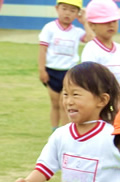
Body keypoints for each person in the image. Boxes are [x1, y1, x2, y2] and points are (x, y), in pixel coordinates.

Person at [38, 0, 94, 131]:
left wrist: (85, 22)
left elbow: (91, 39)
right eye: (64, 9)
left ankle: (65, 131)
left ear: (78, 13)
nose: (67, 13)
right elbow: (42, 50)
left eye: (73, 10)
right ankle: (54, 130)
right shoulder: (49, 28)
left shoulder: (77, 31)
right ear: (57, 8)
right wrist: (42, 70)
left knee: (65, 104)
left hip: (69, 73)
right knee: (54, 103)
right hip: (51, 71)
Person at [82, 0, 120, 96]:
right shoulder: (91, 49)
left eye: (114, 21)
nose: (111, 25)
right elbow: (89, 78)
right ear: (92, 25)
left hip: (118, 99)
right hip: (99, 100)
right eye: (105, 21)